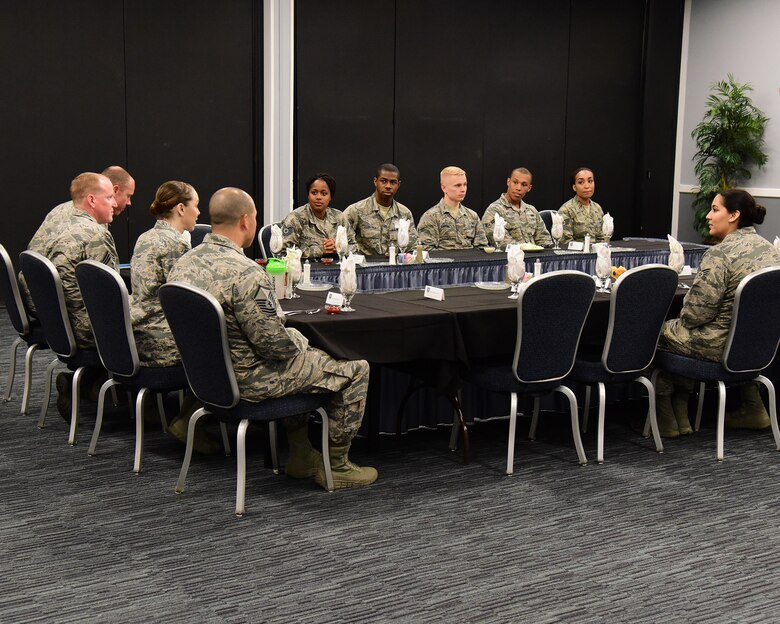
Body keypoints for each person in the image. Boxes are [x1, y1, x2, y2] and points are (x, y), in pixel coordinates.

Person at [168, 187, 377, 489]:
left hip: (206, 380)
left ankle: (302, 455)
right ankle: (339, 466)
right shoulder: (246, 274)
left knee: (306, 356)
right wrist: (300, 340)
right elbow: (274, 346)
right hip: (250, 380)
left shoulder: (184, 263)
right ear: (245, 221)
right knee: (356, 368)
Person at [655, 189, 780, 437]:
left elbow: (695, 315)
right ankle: (754, 409)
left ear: (733, 215)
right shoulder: (770, 251)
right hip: (759, 348)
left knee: (659, 332)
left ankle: (667, 417)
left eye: (715, 210)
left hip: (718, 346)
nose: (708, 216)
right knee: (684, 333)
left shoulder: (719, 254)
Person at [20, 172, 120, 418]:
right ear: (92, 201)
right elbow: (110, 296)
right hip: (77, 323)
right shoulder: (96, 234)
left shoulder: (60, 219)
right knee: (147, 327)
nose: (116, 203)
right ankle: (103, 389)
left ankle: (93, 385)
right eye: (109, 197)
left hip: (50, 316)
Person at [343, 164, 418, 256]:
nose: (388, 186)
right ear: (375, 181)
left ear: (398, 185)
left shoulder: (404, 213)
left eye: (393, 182)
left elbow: (412, 247)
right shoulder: (355, 211)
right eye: (383, 181)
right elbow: (343, 243)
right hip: (364, 267)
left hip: (395, 267)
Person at [281, 173, 356, 258]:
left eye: (324, 194)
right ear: (308, 195)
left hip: (335, 268)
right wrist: (320, 250)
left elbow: (354, 247)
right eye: (314, 193)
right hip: (305, 268)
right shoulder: (295, 219)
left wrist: (340, 247)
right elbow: (284, 252)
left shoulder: (339, 217)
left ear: (330, 197)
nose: (318, 197)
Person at [417, 166, 488, 249]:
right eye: (457, 185)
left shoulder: (472, 216)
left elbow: (482, 248)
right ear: (444, 188)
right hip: (443, 261)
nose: (463, 189)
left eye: (465, 184)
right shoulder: (431, 217)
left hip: (469, 261)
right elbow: (427, 251)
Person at [41, 166, 135, 226]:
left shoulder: (57, 210)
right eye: (128, 196)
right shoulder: (96, 225)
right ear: (115, 190)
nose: (129, 202)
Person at [481, 167, 552, 247]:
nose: (518, 188)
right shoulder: (494, 211)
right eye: (515, 182)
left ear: (529, 188)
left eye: (524, 185)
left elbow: (545, 240)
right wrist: (528, 248)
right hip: (509, 257)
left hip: (535, 257)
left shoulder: (532, 211)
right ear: (508, 182)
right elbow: (501, 243)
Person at [558, 167, 605, 244]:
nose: (587, 186)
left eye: (590, 181)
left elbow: (602, 238)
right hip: (576, 254)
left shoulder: (597, 208)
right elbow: (565, 242)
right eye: (581, 182)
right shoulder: (566, 210)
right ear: (574, 187)